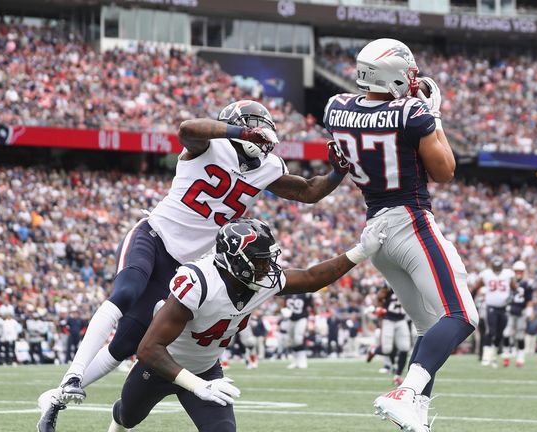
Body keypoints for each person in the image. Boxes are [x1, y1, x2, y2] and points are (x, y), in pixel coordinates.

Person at [37, 100, 349, 432]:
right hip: (154, 236)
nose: (262, 136)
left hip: (182, 264)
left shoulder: (268, 167)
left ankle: (55, 399)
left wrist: (338, 172)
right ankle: (72, 376)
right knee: (126, 292)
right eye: (254, 127)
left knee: (127, 343)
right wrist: (238, 132)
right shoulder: (209, 145)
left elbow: (308, 192)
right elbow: (187, 129)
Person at [323, 38, 479, 432]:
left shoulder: (336, 108)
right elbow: (444, 171)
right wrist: (435, 115)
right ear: (391, 74)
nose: (413, 79)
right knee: (462, 315)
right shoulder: (410, 111)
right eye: (407, 72)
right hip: (409, 220)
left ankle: (417, 416)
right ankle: (406, 393)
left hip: (374, 230)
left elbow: (342, 158)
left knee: (429, 330)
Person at [107, 217, 386, 432]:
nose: (268, 268)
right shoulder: (200, 282)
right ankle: (117, 419)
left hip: (206, 370)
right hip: (161, 367)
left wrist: (361, 252)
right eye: (260, 261)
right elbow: (148, 348)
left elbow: (312, 278)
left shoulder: (258, 282)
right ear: (235, 261)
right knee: (128, 417)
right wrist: (196, 386)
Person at [473, 257, 516, 368]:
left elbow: (515, 288)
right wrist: (471, 299)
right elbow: (476, 287)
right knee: (491, 331)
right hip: (491, 307)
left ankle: (493, 357)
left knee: (499, 334)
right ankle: (486, 357)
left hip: (504, 308)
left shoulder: (508, 274)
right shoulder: (486, 274)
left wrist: (512, 296)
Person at [377, 284, 411, 384]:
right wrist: (380, 306)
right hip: (389, 319)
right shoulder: (388, 285)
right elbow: (379, 297)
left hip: (401, 319)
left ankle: (397, 375)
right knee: (387, 348)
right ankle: (374, 349)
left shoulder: (408, 285)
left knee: (405, 347)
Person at [503, 261, 534, 367]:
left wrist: (529, 310)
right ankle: (506, 355)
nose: (519, 273)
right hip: (511, 311)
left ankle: (520, 358)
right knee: (506, 333)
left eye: (520, 271)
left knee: (520, 336)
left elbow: (529, 299)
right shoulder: (509, 282)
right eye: (517, 271)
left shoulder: (527, 283)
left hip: (521, 312)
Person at [285, 293, 312, 369]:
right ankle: (295, 361)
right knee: (292, 341)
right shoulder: (288, 294)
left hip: (301, 318)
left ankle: (302, 360)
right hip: (290, 319)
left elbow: (310, 305)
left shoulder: (305, 294)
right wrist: (284, 311)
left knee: (298, 339)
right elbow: (284, 305)